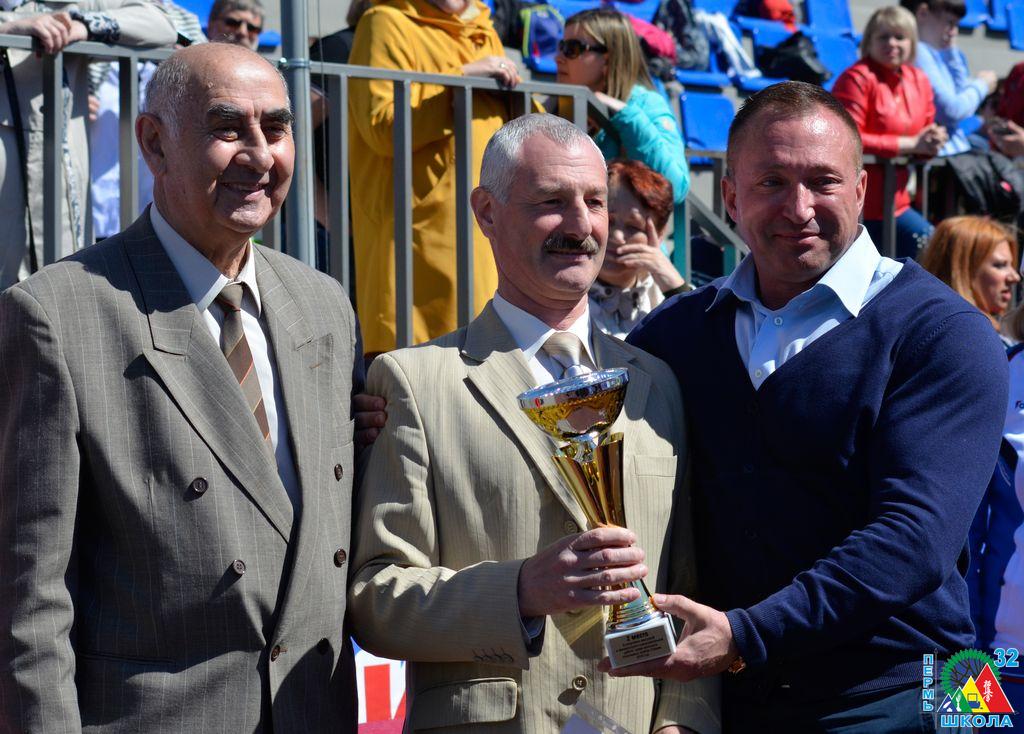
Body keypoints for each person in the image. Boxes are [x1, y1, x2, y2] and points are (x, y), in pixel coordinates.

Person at [615, 81, 1007, 731]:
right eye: (771, 182)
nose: (798, 208)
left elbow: (915, 540)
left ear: (861, 190)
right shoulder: (672, 337)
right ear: (731, 198)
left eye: (823, 181)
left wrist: (746, 634)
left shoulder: (946, 333)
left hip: (916, 689)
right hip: (735, 694)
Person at [0, 44, 362, 732]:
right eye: (227, 129)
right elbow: (29, 600)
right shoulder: (58, 314)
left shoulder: (322, 306)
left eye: (276, 128)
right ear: (154, 143)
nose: (259, 155)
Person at [348, 114, 718, 732]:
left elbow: (692, 585)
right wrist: (520, 590)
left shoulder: (658, 385)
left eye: (594, 202)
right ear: (486, 212)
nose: (580, 225)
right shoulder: (413, 382)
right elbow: (375, 599)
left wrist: (683, 722)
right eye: (551, 201)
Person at [348, 0, 520, 355]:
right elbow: (381, 127)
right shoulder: (383, 21)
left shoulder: (482, 30)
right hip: (415, 243)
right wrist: (461, 79)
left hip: (484, 234)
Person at [0, 0, 177, 289]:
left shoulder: (72, 5)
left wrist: (81, 26)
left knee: (56, 289)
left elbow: (162, 24)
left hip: (58, 196)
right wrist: (10, 28)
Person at [832, 6, 946, 259]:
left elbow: (924, 135)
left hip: (898, 204)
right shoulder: (856, 78)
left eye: (900, 37)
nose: (892, 43)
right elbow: (848, 138)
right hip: (860, 207)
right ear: (869, 41)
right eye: (883, 37)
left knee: (936, 251)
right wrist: (910, 144)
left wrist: (932, 141)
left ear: (912, 43)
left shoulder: (919, 80)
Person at [556, 8, 690, 206]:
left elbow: (675, 188)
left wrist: (625, 116)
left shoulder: (646, 104)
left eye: (572, 48)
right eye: (561, 46)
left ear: (608, 58)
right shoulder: (559, 104)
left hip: (621, 225)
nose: (558, 57)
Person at [590, 158, 689, 338]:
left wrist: (676, 288)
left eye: (634, 227)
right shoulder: (558, 294)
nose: (617, 237)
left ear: (659, 234)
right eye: (609, 220)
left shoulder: (666, 295)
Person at [902, 0, 997, 156]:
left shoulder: (935, 53)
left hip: (951, 152)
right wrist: (982, 85)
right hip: (937, 155)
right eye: (950, 23)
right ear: (923, 13)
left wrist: (950, 50)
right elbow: (952, 111)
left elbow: (961, 94)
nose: (954, 32)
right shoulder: (918, 52)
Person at [918, 215, 1021, 339]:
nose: (1015, 277)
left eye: (1011, 265)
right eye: (1000, 265)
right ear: (963, 270)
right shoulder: (965, 336)